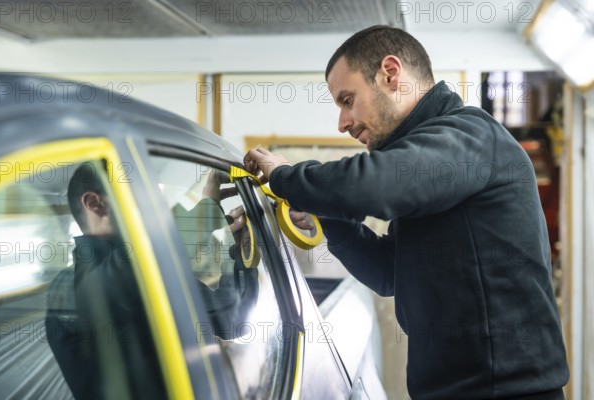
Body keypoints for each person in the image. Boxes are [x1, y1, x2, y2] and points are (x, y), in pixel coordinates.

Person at [244, 25, 569, 399]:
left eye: (348, 100)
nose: (343, 123)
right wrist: (328, 217)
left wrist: (287, 177)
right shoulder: (429, 157)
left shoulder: (470, 137)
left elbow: (373, 185)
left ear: (390, 74)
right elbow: (389, 273)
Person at [46, 162, 257, 399]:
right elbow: (117, 281)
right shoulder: (67, 291)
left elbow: (231, 319)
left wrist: (241, 255)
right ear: (96, 204)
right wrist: (206, 213)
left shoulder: (155, 273)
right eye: (136, 197)